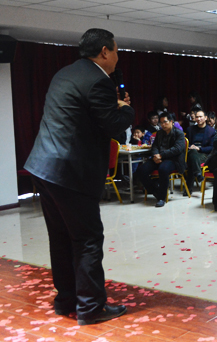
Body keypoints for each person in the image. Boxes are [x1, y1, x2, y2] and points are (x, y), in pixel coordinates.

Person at [24, 28, 134, 325]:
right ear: (104, 52)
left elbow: (81, 119)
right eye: (116, 51)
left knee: (60, 237)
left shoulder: (63, 74)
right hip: (70, 173)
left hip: (43, 168)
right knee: (87, 240)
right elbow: (112, 125)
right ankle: (91, 308)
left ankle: (66, 300)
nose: (117, 57)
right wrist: (126, 108)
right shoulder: (99, 81)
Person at [136, 112, 186, 207]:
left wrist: (161, 155)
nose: (163, 124)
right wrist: (155, 155)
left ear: (171, 122)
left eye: (165, 122)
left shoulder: (179, 133)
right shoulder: (159, 133)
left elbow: (177, 149)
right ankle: (155, 190)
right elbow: (154, 146)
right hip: (159, 157)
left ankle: (161, 198)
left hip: (173, 159)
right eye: (161, 122)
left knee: (163, 169)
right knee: (141, 170)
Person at [186, 109, 215, 191]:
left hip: (203, 154)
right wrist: (190, 146)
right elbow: (185, 143)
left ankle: (188, 188)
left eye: (200, 117)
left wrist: (199, 148)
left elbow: (212, 147)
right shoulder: (190, 129)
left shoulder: (211, 131)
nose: (198, 119)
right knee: (192, 153)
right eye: (197, 117)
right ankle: (198, 173)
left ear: (205, 118)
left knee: (192, 161)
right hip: (191, 152)